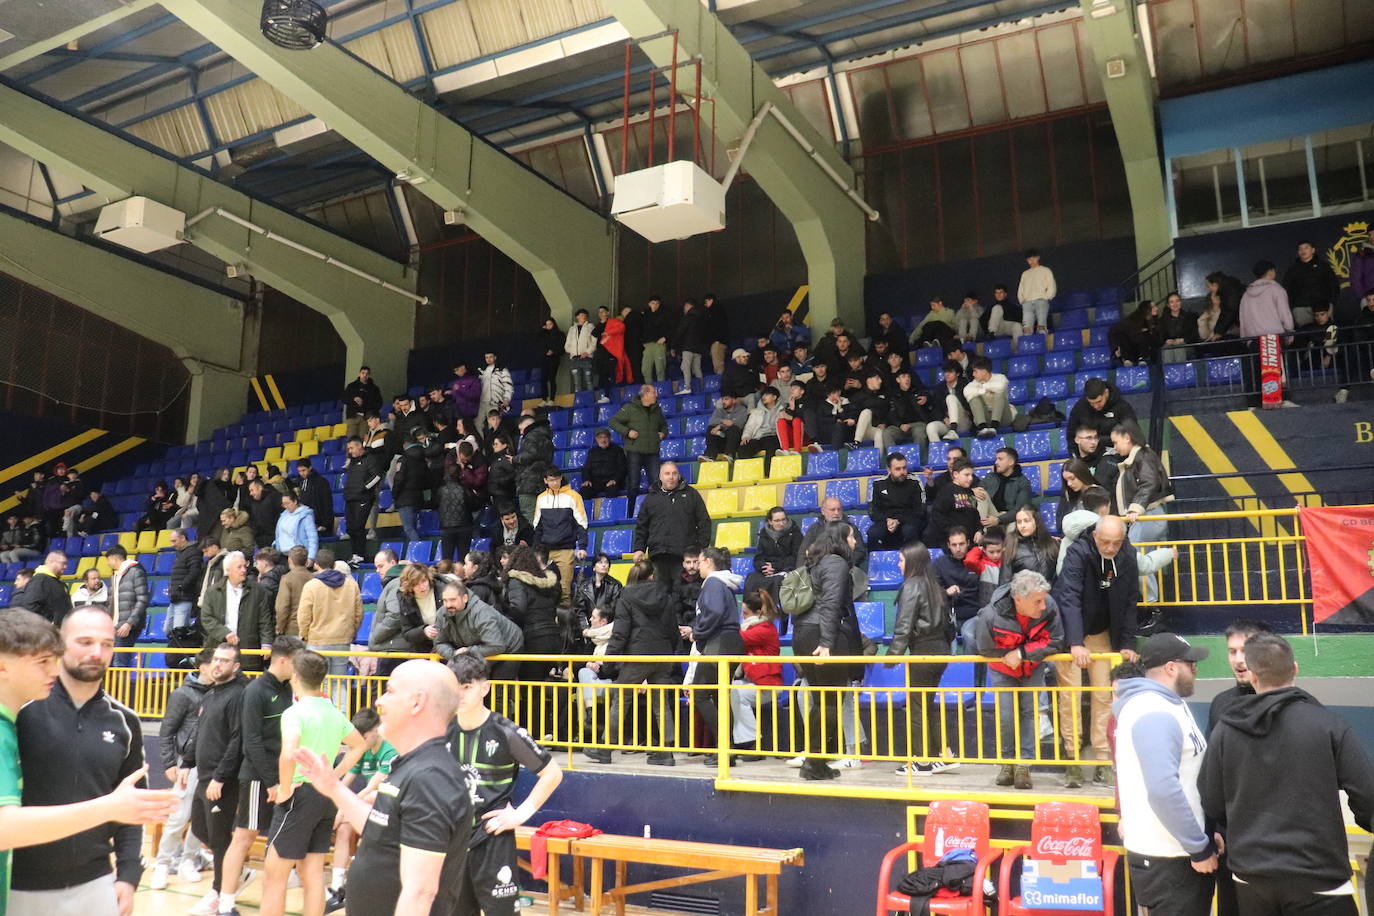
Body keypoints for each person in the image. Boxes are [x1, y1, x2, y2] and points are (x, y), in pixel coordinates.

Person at [0, 609, 177, 916]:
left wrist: (128, 875)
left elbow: (130, 805)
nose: (97, 652)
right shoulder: (19, 710)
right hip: (19, 882)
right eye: (85, 642)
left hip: (96, 882)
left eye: (107, 644)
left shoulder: (126, 722)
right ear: (60, 645)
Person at [1201, 633, 1374, 916]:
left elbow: (1212, 800)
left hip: (1251, 878)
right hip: (1320, 877)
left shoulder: (1225, 730)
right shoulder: (1329, 726)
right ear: (1295, 668)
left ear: (1253, 676)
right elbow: (1367, 796)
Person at [291, 660, 471, 916]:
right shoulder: (410, 765)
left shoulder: (431, 778)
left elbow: (420, 892)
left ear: (416, 702)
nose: (379, 701)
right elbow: (382, 831)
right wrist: (333, 787)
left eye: (390, 691)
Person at [443, 652, 564, 915]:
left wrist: (521, 814)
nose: (460, 695)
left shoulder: (506, 731)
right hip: (451, 839)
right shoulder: (442, 728)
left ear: (484, 688)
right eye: (455, 688)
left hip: (492, 839)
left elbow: (553, 773)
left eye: (467, 687)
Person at [1113, 633, 1217, 914]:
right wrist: (1198, 846)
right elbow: (1162, 789)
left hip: (1175, 852)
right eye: (1191, 663)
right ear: (1171, 668)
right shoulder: (1152, 710)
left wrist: (1205, 833)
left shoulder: (1167, 703)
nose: (1196, 670)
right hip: (1169, 858)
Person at [258, 651, 365, 916]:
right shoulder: (333, 712)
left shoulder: (295, 713)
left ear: (295, 675)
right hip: (324, 796)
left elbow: (288, 753)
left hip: (300, 795)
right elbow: (359, 744)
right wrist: (333, 776)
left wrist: (284, 789)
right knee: (313, 872)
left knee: (274, 876)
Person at [1052, 515, 1139, 788]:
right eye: (1105, 542)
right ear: (1095, 537)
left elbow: (1130, 600)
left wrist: (1126, 643)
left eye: (1117, 543)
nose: (1111, 548)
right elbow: (1069, 596)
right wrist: (1075, 642)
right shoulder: (1077, 552)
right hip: (1071, 633)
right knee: (1071, 697)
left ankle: (1103, 760)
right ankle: (1073, 759)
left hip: (1102, 632)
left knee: (1104, 695)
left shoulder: (1127, 555)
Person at [1204, 618, 1272, 916]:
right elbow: (1211, 774)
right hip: (1232, 842)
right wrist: (1214, 830)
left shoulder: (1289, 703)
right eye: (1232, 651)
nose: (1238, 659)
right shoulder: (1221, 704)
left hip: (1276, 843)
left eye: (1245, 650)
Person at [583, 560, 679, 766]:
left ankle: (604, 748)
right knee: (661, 703)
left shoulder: (626, 596)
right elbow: (673, 631)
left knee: (621, 698)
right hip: (662, 655)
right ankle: (667, 752)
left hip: (637, 655)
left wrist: (608, 661)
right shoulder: (666, 596)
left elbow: (620, 633)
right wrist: (669, 653)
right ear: (652, 576)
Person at [975, 570, 1064, 789]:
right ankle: (1007, 763)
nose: (1043, 605)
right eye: (1037, 601)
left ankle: (1023, 766)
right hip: (1002, 670)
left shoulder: (1049, 606)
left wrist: (1021, 653)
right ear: (1018, 599)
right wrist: (1007, 658)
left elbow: (1056, 641)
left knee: (1029, 714)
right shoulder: (990, 615)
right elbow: (984, 648)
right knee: (1006, 716)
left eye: (1043, 600)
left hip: (1031, 668)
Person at [793, 522, 862, 781]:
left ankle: (816, 761)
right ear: (841, 539)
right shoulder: (836, 563)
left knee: (822, 702)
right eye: (852, 537)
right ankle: (814, 761)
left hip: (806, 633)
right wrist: (827, 642)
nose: (854, 541)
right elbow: (832, 603)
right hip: (823, 635)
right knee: (831, 701)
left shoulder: (818, 562)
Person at [184, 642, 250, 916]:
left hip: (221, 781)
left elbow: (238, 740)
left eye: (224, 661)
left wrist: (221, 778)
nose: (217, 664)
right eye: (215, 660)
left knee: (221, 839)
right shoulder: (211, 693)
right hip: (203, 776)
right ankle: (239, 873)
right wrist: (187, 762)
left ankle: (221, 891)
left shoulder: (238, 696)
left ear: (236, 666)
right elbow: (199, 731)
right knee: (201, 831)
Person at [888, 544, 958, 776]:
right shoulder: (933, 585)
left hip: (923, 650)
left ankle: (920, 760)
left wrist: (892, 657)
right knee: (927, 704)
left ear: (912, 561)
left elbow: (904, 626)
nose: (898, 565)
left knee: (917, 705)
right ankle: (944, 754)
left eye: (901, 560)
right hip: (942, 649)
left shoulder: (911, 586)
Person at [152, 646, 214, 890]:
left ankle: (190, 858)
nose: (219, 666)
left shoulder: (220, 693)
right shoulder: (183, 694)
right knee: (179, 816)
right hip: (186, 764)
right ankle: (163, 863)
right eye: (214, 662)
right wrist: (169, 763)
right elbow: (167, 730)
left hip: (211, 764)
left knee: (201, 817)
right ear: (202, 667)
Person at [325, 707, 396, 913]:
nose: (361, 741)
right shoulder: (363, 750)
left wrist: (346, 807)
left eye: (364, 736)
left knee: (355, 817)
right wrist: (338, 803)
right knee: (343, 828)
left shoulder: (389, 750)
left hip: (389, 806)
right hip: (368, 803)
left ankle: (359, 886)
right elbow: (346, 780)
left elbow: (372, 787)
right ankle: (337, 888)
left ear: (377, 731)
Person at [685, 547, 744, 759]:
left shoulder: (712, 582)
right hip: (731, 642)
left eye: (699, 562)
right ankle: (727, 749)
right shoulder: (723, 583)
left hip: (718, 643)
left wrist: (697, 632)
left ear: (708, 562)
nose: (697, 567)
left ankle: (724, 747)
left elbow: (715, 612)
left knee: (700, 693)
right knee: (720, 696)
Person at [1111, 421, 1172, 598]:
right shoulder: (1142, 456)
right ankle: (1152, 605)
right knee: (1140, 560)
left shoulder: (1142, 456)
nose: (1115, 448)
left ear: (1127, 438)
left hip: (1148, 516)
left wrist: (1136, 508)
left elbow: (1148, 482)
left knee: (1136, 560)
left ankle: (1151, 604)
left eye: (1116, 442)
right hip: (1150, 515)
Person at [633, 461, 711, 587]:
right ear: (660, 476)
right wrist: (639, 548)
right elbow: (642, 526)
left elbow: (704, 523)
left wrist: (699, 549)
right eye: (667, 473)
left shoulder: (692, 494)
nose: (671, 477)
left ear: (678, 475)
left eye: (674, 473)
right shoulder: (650, 498)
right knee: (660, 597)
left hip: (684, 558)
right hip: (657, 557)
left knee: (681, 598)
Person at [296, 547, 364, 683]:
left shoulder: (311, 586)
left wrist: (304, 635)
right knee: (339, 684)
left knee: (321, 684)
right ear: (334, 565)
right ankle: (342, 705)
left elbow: (304, 616)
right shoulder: (351, 585)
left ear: (316, 564)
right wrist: (351, 632)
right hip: (342, 640)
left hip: (317, 640)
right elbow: (358, 614)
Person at [201, 551, 274, 672]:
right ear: (228, 570)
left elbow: (265, 620)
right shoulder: (212, 592)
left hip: (248, 650)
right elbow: (206, 618)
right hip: (219, 648)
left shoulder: (258, 590)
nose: (244, 570)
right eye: (239, 567)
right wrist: (225, 633)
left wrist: (266, 643)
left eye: (245, 566)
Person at [434, 581, 524, 679]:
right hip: (479, 648)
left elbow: (496, 646)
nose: (448, 605)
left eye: (452, 600)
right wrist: (454, 654)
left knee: (500, 687)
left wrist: (467, 652)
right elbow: (439, 643)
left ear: (465, 598)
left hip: (510, 645)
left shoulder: (482, 613)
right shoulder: (441, 614)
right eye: (445, 600)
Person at [730, 589, 780, 760]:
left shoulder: (764, 630)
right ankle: (740, 740)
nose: (742, 616)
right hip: (754, 682)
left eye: (745, 613)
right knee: (728, 689)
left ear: (758, 613)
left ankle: (751, 742)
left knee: (735, 693)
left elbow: (737, 638)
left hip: (768, 685)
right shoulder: (754, 626)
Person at [532, 469, 589, 606]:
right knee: (544, 589)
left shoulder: (573, 496)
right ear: (545, 480)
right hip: (545, 551)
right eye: (551, 480)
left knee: (564, 590)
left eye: (557, 479)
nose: (555, 482)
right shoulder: (541, 498)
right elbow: (538, 527)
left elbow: (582, 524)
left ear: (561, 478)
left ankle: (565, 625)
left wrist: (582, 546)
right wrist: (536, 551)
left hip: (566, 549)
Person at [608, 384, 668, 512]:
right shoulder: (630, 408)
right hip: (634, 452)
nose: (656, 395)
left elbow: (664, 426)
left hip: (652, 452)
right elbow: (613, 422)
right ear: (645, 394)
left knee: (656, 483)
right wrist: (627, 431)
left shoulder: (657, 409)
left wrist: (663, 433)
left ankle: (659, 511)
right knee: (633, 484)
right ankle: (630, 512)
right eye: (653, 392)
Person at [101, 545, 148, 668]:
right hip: (114, 626)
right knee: (108, 662)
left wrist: (129, 623)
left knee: (120, 663)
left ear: (114, 558)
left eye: (108, 560)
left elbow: (143, 599)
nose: (107, 564)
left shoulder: (136, 572)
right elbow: (110, 603)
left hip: (127, 626)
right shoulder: (115, 576)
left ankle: (118, 687)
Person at [867, 452, 925, 550]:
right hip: (885, 520)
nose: (902, 472)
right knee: (873, 533)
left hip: (908, 520)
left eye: (904, 468)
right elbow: (873, 511)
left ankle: (913, 561)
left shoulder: (915, 482)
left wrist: (898, 521)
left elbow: (920, 510)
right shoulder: (878, 484)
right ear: (889, 470)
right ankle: (875, 563)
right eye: (898, 469)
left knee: (909, 530)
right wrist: (888, 520)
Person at [742, 507, 800, 603]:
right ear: (770, 521)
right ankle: (751, 610)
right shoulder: (764, 534)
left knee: (778, 581)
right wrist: (764, 567)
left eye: (783, 520)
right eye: (777, 521)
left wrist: (775, 566)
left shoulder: (795, 533)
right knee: (751, 579)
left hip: (786, 568)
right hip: (767, 569)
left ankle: (776, 612)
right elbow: (758, 558)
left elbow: (796, 557)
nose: (781, 523)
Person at [924, 457, 982, 547]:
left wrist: (979, 530)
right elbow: (937, 515)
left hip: (969, 540)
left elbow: (975, 515)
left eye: (972, 475)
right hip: (952, 542)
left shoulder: (970, 492)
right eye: (966, 475)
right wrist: (953, 532)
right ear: (955, 474)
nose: (970, 478)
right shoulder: (946, 491)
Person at [1282, 240, 1340, 327]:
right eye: (1300, 249)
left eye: (1306, 248)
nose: (1303, 251)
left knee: (1327, 334)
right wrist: (1293, 306)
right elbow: (1286, 289)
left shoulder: (1323, 266)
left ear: (1313, 250)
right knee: (1306, 335)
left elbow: (1334, 284)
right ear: (1298, 252)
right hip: (1302, 308)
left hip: (1323, 307)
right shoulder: (1292, 269)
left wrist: (1331, 303)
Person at [1065, 377, 1138, 445]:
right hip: (1090, 454)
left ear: (1106, 393)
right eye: (1091, 403)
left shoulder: (1122, 407)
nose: (1096, 406)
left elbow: (1132, 434)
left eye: (1099, 401)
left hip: (1117, 452)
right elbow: (1071, 436)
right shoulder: (1080, 407)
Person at [999, 505, 1059, 584]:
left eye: (1027, 521)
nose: (1022, 525)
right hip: (1024, 595)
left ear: (1036, 521)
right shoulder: (1012, 546)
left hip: (1051, 594)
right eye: (1019, 522)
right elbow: (1004, 582)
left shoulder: (1052, 544)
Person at [15, 550, 73, 626]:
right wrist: (48, 623)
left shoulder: (54, 581)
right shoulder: (40, 580)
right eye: (63, 563)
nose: (65, 567)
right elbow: (30, 605)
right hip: (50, 631)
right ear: (51, 562)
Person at [980, 447, 1033, 529]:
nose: (996, 462)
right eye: (996, 459)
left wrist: (998, 520)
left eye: (1000, 459)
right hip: (990, 514)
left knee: (1014, 527)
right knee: (981, 493)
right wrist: (973, 491)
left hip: (1009, 518)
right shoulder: (989, 477)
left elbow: (1019, 510)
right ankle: (981, 529)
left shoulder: (1022, 482)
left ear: (1011, 462)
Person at [963, 356, 1015, 436]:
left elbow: (1000, 387)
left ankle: (994, 426)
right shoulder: (973, 383)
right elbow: (966, 391)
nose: (973, 374)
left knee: (999, 393)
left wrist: (982, 387)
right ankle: (982, 428)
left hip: (1003, 417)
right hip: (986, 418)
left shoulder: (1000, 377)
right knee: (973, 398)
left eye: (975, 371)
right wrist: (984, 391)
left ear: (983, 372)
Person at [924, 361, 972, 443]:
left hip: (963, 421)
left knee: (950, 398)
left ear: (957, 374)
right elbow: (935, 408)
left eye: (950, 372)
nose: (947, 374)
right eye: (945, 372)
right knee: (931, 427)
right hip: (947, 422)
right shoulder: (939, 388)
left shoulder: (965, 384)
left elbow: (970, 405)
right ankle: (938, 453)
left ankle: (953, 430)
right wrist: (943, 418)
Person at [1066, 424, 1119, 495]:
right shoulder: (1073, 464)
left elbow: (1101, 490)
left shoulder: (1108, 459)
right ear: (1077, 440)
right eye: (1089, 438)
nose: (1093, 442)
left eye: (1096, 438)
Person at [673, 299, 709, 393]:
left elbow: (680, 332)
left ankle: (687, 387)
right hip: (699, 348)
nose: (684, 309)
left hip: (688, 346)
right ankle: (701, 388)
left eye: (685, 306)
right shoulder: (701, 317)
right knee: (697, 368)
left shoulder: (688, 317)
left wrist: (674, 345)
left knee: (685, 366)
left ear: (689, 306)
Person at [579, 429, 627, 499]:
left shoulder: (618, 450)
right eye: (600, 437)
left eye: (605, 437)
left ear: (610, 438)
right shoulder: (592, 451)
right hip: (595, 483)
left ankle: (610, 510)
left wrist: (615, 480)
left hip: (611, 482)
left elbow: (622, 468)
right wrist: (587, 480)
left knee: (612, 491)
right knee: (584, 491)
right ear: (596, 439)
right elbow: (586, 468)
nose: (603, 440)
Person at [1017, 249, 1056, 334]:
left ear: (1038, 258)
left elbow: (1051, 285)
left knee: (1041, 326)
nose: (1031, 261)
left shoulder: (1045, 270)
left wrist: (1046, 297)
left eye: (1033, 258)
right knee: (1026, 329)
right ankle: (1028, 346)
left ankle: (1042, 344)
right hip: (1027, 303)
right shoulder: (1025, 274)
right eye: (1029, 259)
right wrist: (1022, 300)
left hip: (1041, 301)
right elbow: (1021, 288)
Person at [273, 490, 319, 562]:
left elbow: (312, 538)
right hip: (283, 555)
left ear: (295, 501)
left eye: (288, 503)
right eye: (283, 504)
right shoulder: (283, 515)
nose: (285, 506)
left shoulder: (306, 516)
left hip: (298, 556)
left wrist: (311, 557)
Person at [703, 393, 749, 462]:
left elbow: (738, 423)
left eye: (726, 399)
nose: (723, 402)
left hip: (736, 442)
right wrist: (723, 421)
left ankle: (730, 455)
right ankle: (710, 455)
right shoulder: (719, 411)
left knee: (733, 428)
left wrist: (720, 426)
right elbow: (711, 421)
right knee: (711, 428)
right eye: (722, 399)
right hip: (722, 439)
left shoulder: (742, 410)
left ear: (733, 401)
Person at [1110, 301, 1159, 366]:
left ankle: (1142, 358)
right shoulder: (1132, 321)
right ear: (1146, 309)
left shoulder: (1155, 321)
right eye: (1153, 307)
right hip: (1130, 348)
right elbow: (1114, 331)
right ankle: (1130, 358)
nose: (1157, 308)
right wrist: (1115, 348)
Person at [1156, 291, 1200, 363]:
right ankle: (1169, 373)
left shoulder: (1190, 317)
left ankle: (1180, 373)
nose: (1175, 304)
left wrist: (1182, 340)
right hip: (1169, 346)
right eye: (1172, 302)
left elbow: (1194, 335)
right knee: (1168, 349)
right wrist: (1166, 341)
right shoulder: (1162, 320)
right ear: (1168, 305)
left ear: (1180, 302)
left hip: (1186, 345)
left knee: (1179, 348)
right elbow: (1160, 336)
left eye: (1177, 301)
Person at [342, 366, 382, 440]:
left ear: (369, 375)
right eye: (363, 373)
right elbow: (344, 399)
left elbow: (379, 403)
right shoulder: (351, 386)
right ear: (359, 374)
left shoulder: (374, 389)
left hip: (366, 417)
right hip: (352, 416)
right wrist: (353, 399)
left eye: (366, 374)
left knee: (363, 439)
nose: (364, 375)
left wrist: (370, 411)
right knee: (351, 438)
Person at [566, 310, 599, 396]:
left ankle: (591, 400)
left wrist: (587, 352)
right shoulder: (572, 329)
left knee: (588, 380)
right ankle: (579, 402)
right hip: (574, 358)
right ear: (577, 317)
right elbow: (567, 345)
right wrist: (573, 352)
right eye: (581, 315)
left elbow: (594, 343)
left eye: (585, 315)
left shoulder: (590, 327)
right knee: (577, 382)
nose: (583, 316)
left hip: (586, 357)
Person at [477, 351, 514, 422]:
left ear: (495, 357)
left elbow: (508, 386)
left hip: (495, 402)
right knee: (478, 424)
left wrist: (506, 399)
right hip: (482, 403)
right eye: (486, 357)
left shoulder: (502, 370)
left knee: (493, 424)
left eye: (490, 357)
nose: (488, 359)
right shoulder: (482, 372)